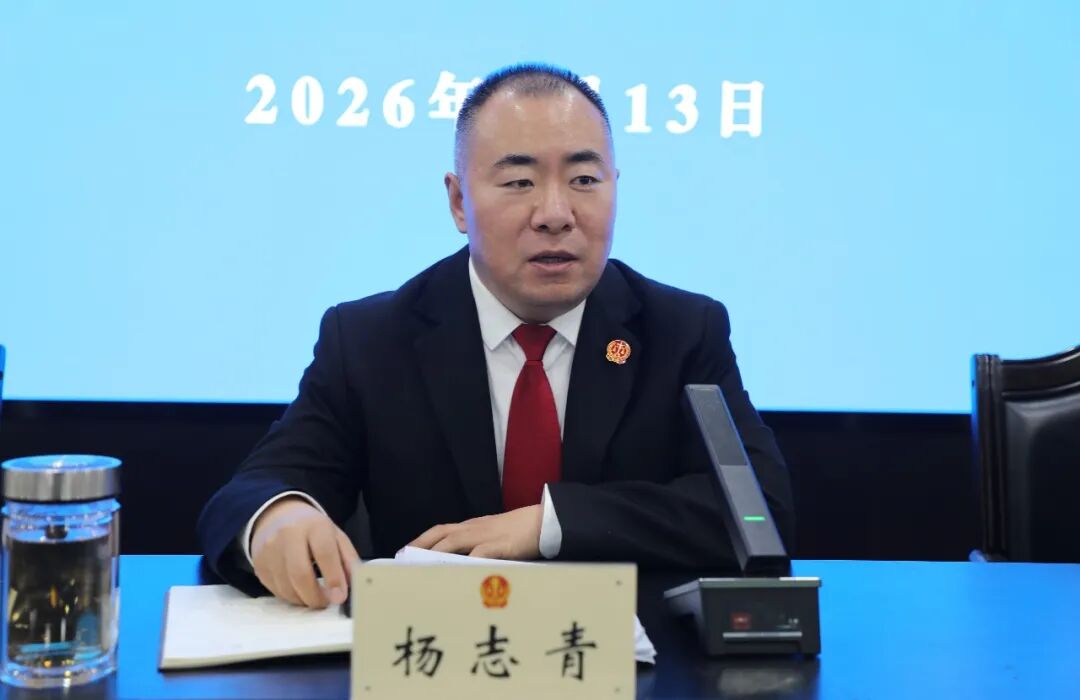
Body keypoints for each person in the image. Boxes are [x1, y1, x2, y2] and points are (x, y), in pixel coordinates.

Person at [197, 63, 794, 609]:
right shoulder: (371, 339)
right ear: (459, 202)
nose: (555, 213)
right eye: (519, 182)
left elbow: (757, 508)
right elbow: (256, 489)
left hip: (625, 660)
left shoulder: (681, 330)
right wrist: (278, 517)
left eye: (584, 179)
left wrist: (548, 523)